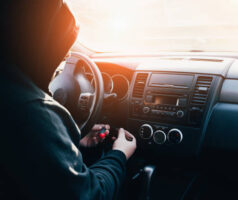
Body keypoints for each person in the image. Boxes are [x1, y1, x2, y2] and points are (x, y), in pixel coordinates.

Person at [0, 0, 136, 199]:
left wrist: (71, 142)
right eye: (62, 54)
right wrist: (119, 154)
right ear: (42, 48)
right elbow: (90, 194)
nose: (66, 57)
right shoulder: (32, 112)